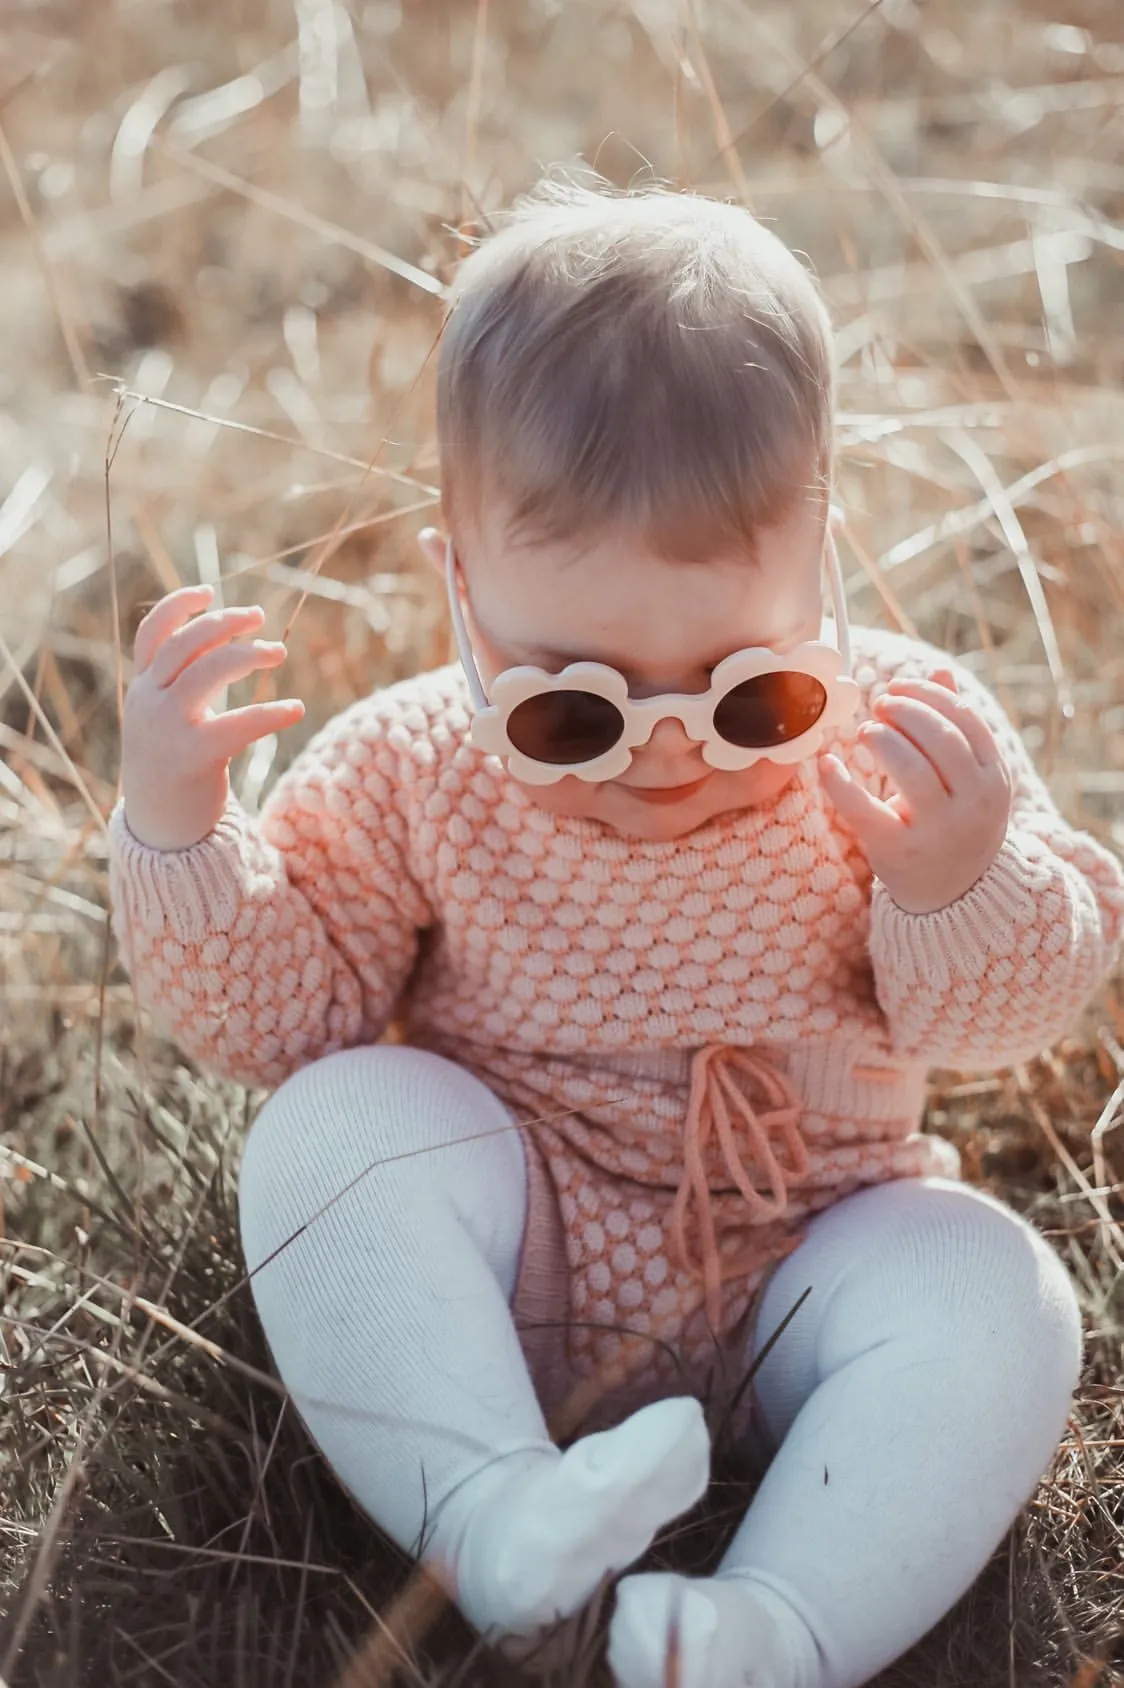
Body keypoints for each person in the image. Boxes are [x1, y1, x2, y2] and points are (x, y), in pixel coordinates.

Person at [108, 178, 1124, 1688]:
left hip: (812, 1264)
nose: (664, 748)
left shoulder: (900, 746)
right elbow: (287, 1023)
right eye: (571, 704)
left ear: (822, 567)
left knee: (992, 1289)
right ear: (460, 590)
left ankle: (774, 1629)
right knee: (332, 1130)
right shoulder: (415, 767)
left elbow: (990, 1026)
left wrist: (957, 877)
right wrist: (184, 833)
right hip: (511, 1270)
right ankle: (500, 1521)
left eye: (743, 692)